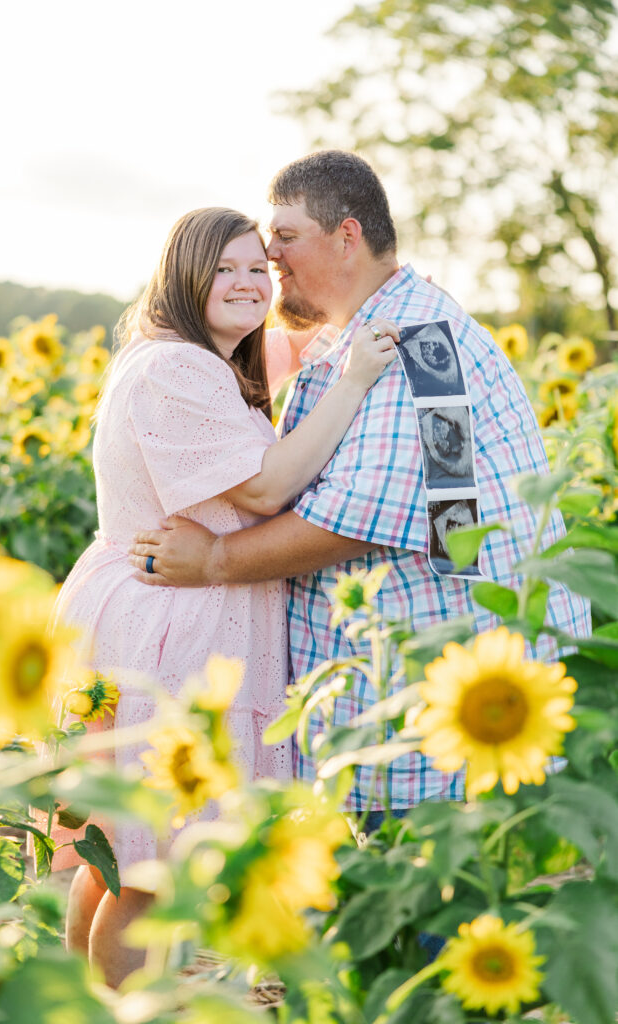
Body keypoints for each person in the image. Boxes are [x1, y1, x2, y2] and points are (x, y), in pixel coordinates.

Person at [128, 150, 592, 833]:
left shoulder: (424, 347)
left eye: (283, 236)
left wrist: (215, 562)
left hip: (426, 726)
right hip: (396, 715)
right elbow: (435, 510)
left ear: (345, 236)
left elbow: (356, 520)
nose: (268, 253)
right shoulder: (366, 335)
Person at [51, 205, 398, 987]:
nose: (247, 284)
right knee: (157, 867)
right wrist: (354, 381)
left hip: (148, 609)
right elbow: (271, 486)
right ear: (184, 275)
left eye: (258, 269)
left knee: (121, 851)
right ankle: (122, 1008)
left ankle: (81, 1003)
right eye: (225, 269)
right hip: (173, 623)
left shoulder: (186, 358)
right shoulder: (180, 368)